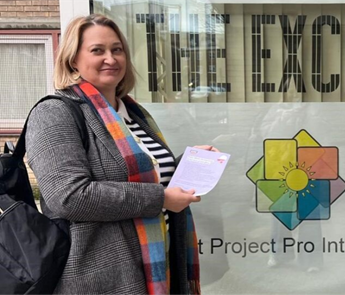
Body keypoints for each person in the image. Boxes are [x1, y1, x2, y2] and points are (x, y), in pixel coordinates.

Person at [25, 14, 217, 294]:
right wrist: (161, 199)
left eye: (117, 50)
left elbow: (143, 173)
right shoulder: (54, 112)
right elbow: (68, 196)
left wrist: (187, 164)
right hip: (101, 277)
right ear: (73, 60)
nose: (111, 59)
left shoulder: (134, 114)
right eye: (97, 50)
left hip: (159, 265)